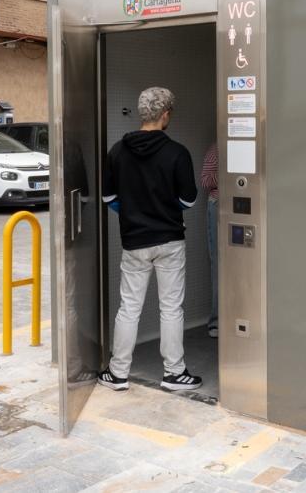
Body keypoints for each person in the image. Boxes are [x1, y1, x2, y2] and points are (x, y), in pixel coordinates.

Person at [98, 87, 202, 393]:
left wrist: (133, 212)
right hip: (170, 240)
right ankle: (174, 373)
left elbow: (109, 197)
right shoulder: (177, 153)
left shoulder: (117, 150)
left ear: (143, 113)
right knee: (171, 308)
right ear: (166, 114)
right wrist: (165, 209)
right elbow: (189, 200)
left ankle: (118, 374)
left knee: (128, 308)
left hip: (134, 241)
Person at [200, 143, 219, 338]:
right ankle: (217, 322)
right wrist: (227, 171)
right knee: (219, 263)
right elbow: (205, 181)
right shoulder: (215, 151)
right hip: (219, 204)